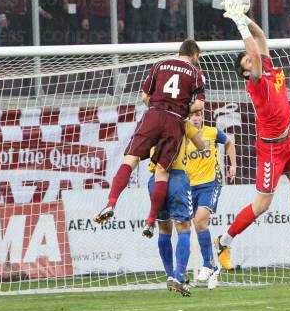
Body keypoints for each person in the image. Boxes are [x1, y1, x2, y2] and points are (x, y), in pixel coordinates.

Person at [214, 2, 290, 270]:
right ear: (245, 71)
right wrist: (239, 24)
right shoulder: (255, 81)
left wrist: (245, 17)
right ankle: (224, 242)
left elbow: (261, 38)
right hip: (271, 150)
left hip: (289, 141)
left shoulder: (266, 65)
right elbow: (252, 47)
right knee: (262, 205)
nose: (251, 58)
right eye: (246, 60)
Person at [94, 39, 206, 237]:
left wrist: (159, 106)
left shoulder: (160, 64)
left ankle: (111, 203)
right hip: (175, 121)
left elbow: (144, 96)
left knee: (131, 159)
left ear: (179, 51)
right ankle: (150, 220)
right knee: (162, 172)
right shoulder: (196, 72)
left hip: (153, 114)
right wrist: (181, 108)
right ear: (195, 55)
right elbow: (199, 105)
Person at [149, 119, 203, 297]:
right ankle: (180, 275)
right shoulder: (182, 122)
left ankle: (170, 275)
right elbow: (202, 146)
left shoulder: (152, 121)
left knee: (164, 229)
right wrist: (191, 135)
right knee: (184, 228)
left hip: (155, 179)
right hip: (177, 178)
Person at [185, 110, 236, 288]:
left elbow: (229, 143)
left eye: (198, 114)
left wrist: (233, 165)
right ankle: (212, 267)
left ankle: (207, 265)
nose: (196, 118)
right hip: (190, 186)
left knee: (199, 221)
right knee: (197, 225)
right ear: (188, 118)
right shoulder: (183, 136)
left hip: (211, 183)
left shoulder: (213, 132)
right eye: (192, 115)